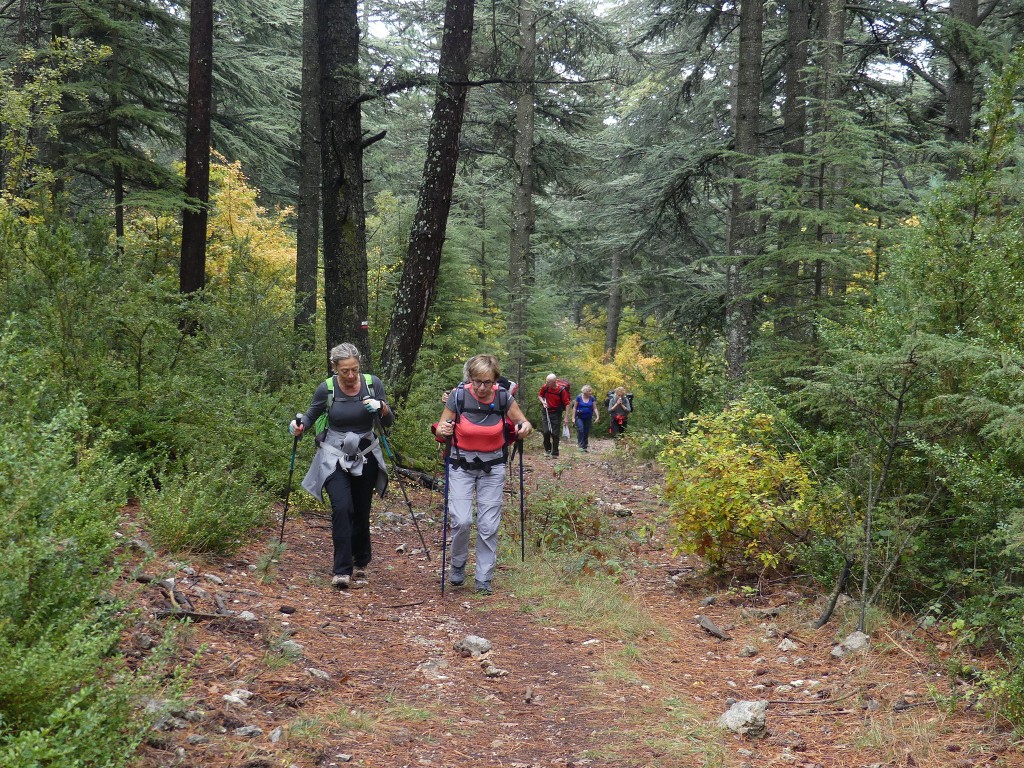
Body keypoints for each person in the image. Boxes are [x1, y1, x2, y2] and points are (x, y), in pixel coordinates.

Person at [289, 343, 393, 590]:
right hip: (333, 455)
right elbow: (310, 416)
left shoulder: (372, 383)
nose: (350, 376)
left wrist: (382, 407)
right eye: (344, 371)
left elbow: (388, 421)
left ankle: (361, 561)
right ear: (334, 368)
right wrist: (298, 426)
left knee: (361, 509)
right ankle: (341, 570)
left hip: (365, 453)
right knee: (342, 507)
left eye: (354, 370)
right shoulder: (326, 389)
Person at [434, 355, 532, 595]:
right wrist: (443, 428)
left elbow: (523, 423)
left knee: (488, 525)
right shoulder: (458, 396)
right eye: (476, 381)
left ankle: (483, 578)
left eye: (486, 382)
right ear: (470, 378)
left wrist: (524, 429)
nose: (480, 387)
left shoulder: (503, 398)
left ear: (495, 380)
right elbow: (440, 429)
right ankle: (457, 565)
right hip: (460, 465)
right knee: (462, 520)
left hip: (493, 467)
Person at [537, 373, 570, 457]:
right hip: (546, 411)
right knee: (546, 431)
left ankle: (555, 452)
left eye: (549, 382)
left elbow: (567, 403)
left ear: (554, 382)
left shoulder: (561, 390)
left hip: (556, 413)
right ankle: (547, 450)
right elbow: (540, 395)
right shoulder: (546, 387)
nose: (547, 383)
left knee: (555, 433)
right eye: (546, 381)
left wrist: (566, 417)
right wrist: (543, 402)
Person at [571, 384, 600, 452]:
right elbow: (574, 408)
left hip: (588, 417)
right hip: (579, 416)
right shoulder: (579, 397)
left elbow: (595, 408)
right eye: (589, 391)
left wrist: (597, 416)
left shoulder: (592, 398)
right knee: (581, 429)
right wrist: (573, 418)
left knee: (586, 431)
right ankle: (580, 445)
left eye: (590, 391)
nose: (590, 392)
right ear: (585, 392)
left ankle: (585, 446)